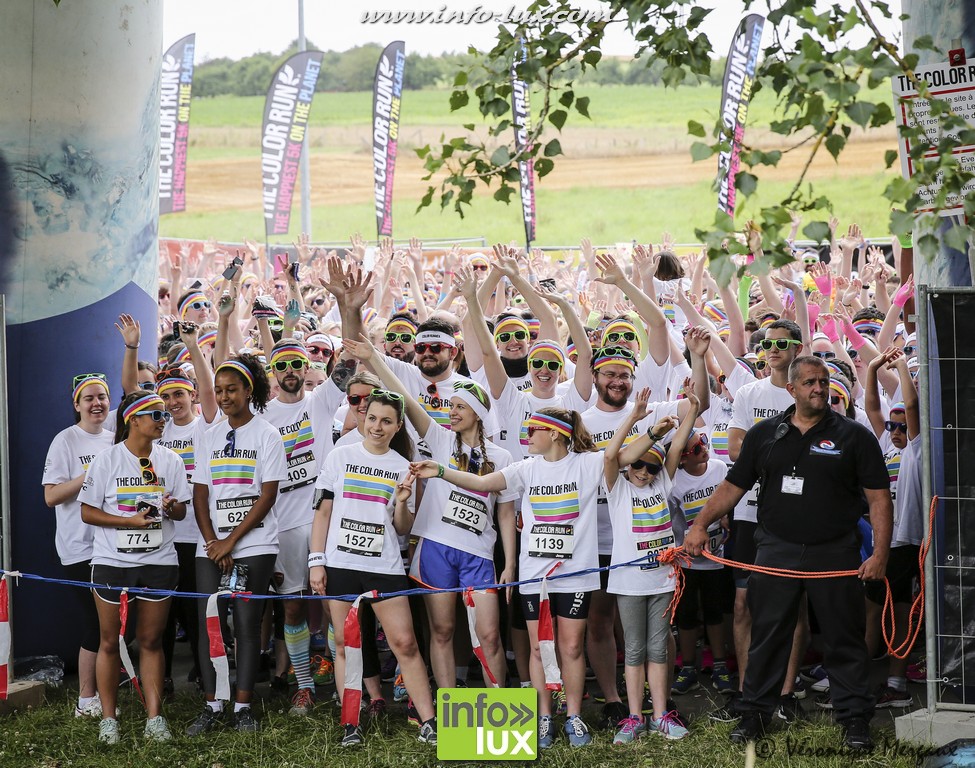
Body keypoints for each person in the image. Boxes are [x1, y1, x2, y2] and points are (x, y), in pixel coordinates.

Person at [684, 355, 893, 751]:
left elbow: (879, 498)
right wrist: (698, 524)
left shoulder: (853, 436)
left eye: (824, 381)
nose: (820, 388)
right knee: (767, 636)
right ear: (791, 388)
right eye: (811, 382)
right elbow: (733, 485)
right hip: (776, 550)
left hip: (834, 553)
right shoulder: (765, 434)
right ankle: (755, 716)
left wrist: (880, 552)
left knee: (843, 639)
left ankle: (854, 720)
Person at [412, 406, 602, 750]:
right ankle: (544, 718)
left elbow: (621, 452)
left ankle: (573, 716)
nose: (526, 436)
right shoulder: (523, 467)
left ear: (555, 433)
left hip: (572, 574)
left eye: (533, 430)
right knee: (537, 646)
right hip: (532, 574)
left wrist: (638, 422)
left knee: (570, 646)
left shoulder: (584, 463)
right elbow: (483, 483)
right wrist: (441, 470)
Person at [344, 336, 518, 690]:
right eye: (451, 406)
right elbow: (406, 400)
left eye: (459, 407)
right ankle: (448, 705)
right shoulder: (438, 439)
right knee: (441, 630)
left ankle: (496, 707)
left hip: (479, 554)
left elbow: (504, 514)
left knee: (489, 634)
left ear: (478, 414)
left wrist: (510, 563)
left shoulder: (502, 458)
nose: (451, 412)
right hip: (435, 547)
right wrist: (373, 358)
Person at [309, 389, 438, 748]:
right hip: (340, 564)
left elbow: (402, 527)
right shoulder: (339, 456)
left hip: (384, 566)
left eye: (386, 421)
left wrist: (401, 502)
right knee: (345, 644)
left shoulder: (402, 466)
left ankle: (428, 721)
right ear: (363, 419)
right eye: (372, 419)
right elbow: (322, 513)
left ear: (398, 426)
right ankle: (351, 722)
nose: (377, 427)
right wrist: (316, 561)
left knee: (405, 643)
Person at [78, 391, 191, 744]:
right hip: (113, 562)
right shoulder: (107, 460)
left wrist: (172, 508)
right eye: (156, 415)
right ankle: (108, 720)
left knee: (151, 640)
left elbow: (182, 511)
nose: (163, 420)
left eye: (164, 415)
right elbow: (87, 511)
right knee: (110, 642)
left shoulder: (170, 460)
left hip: (159, 561)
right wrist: (127, 522)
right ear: (134, 419)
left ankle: (155, 719)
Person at [186, 355, 287, 736]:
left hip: (254, 541)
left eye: (232, 390)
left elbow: (267, 496)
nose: (225, 397)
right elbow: (200, 494)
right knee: (207, 622)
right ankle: (213, 703)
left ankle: (242, 706)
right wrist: (213, 541)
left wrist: (231, 540)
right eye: (219, 391)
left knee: (246, 625)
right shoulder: (208, 435)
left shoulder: (267, 434)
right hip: (211, 545)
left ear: (249, 391)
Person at [604, 388, 698, 743]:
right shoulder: (618, 488)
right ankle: (633, 717)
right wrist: (637, 418)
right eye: (638, 464)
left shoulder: (662, 481)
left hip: (662, 581)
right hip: (628, 583)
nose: (644, 471)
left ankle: (660, 715)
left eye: (651, 466)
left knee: (659, 648)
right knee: (634, 649)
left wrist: (694, 411)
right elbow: (611, 454)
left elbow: (675, 448)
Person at [43, 373, 115, 718]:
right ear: (77, 405)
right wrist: (89, 475)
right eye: (88, 398)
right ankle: (86, 700)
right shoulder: (65, 441)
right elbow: (51, 496)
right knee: (95, 625)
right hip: (78, 548)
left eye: (101, 396)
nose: (96, 403)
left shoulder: (116, 441)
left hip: (113, 546)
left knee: (114, 624)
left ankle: (107, 687)